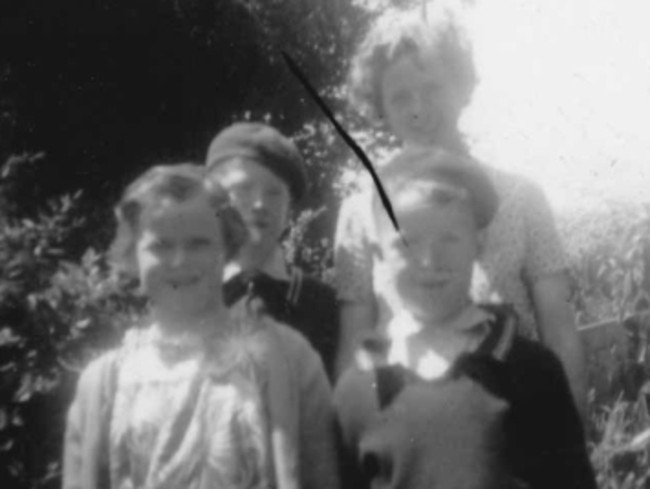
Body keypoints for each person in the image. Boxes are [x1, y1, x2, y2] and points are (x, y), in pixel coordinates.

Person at [334, 10, 587, 410]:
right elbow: (354, 346)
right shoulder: (360, 210)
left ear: (461, 87)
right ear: (380, 106)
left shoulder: (522, 196)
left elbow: (559, 328)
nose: (419, 109)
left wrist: (573, 437)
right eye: (400, 96)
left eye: (432, 88)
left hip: (518, 416)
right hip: (408, 424)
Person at [63, 163, 339, 489]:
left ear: (227, 248)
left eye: (198, 243)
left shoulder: (288, 360)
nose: (179, 261)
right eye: (160, 245)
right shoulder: (103, 382)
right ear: (132, 254)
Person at [334, 147, 596, 489]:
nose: (429, 260)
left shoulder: (532, 370)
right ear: (379, 250)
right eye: (406, 242)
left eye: (449, 239)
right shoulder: (357, 389)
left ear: (479, 243)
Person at [206, 122, 340, 379]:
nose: (259, 204)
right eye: (243, 189)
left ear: (289, 208)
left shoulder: (324, 306)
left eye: (274, 193)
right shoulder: (192, 292)